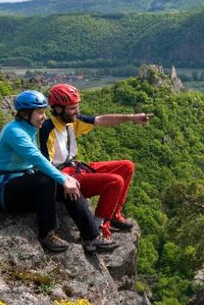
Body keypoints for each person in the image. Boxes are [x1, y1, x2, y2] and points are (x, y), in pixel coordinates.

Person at [0, 89, 117, 253]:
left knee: (63, 183)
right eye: (40, 112)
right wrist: (63, 179)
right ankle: (47, 234)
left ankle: (91, 236)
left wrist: (64, 179)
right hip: (2, 191)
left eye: (44, 112)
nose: (44, 116)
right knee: (48, 179)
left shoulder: (29, 129)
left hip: (20, 187)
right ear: (26, 113)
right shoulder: (15, 132)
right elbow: (37, 159)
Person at [39, 83, 151, 238]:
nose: (77, 111)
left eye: (77, 107)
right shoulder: (47, 128)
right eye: (72, 108)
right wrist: (65, 180)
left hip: (75, 167)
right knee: (115, 181)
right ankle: (98, 226)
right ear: (58, 109)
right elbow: (45, 164)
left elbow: (101, 120)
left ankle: (113, 214)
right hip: (64, 177)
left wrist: (131, 118)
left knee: (127, 166)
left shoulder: (71, 121)